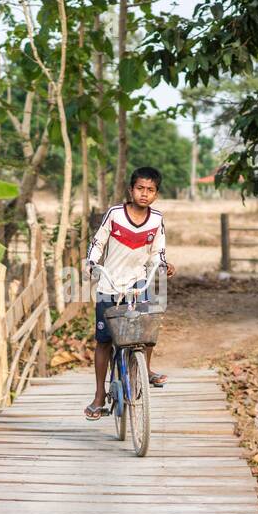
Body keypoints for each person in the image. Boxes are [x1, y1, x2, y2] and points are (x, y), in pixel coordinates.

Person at [83, 166, 176, 420]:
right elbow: (98, 242)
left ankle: (144, 371)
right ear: (131, 190)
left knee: (145, 334)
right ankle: (99, 395)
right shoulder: (115, 214)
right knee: (103, 341)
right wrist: (91, 263)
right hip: (109, 285)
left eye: (151, 190)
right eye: (140, 189)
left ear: (156, 193)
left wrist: (163, 265)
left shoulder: (156, 220)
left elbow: (158, 252)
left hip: (138, 285)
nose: (144, 194)